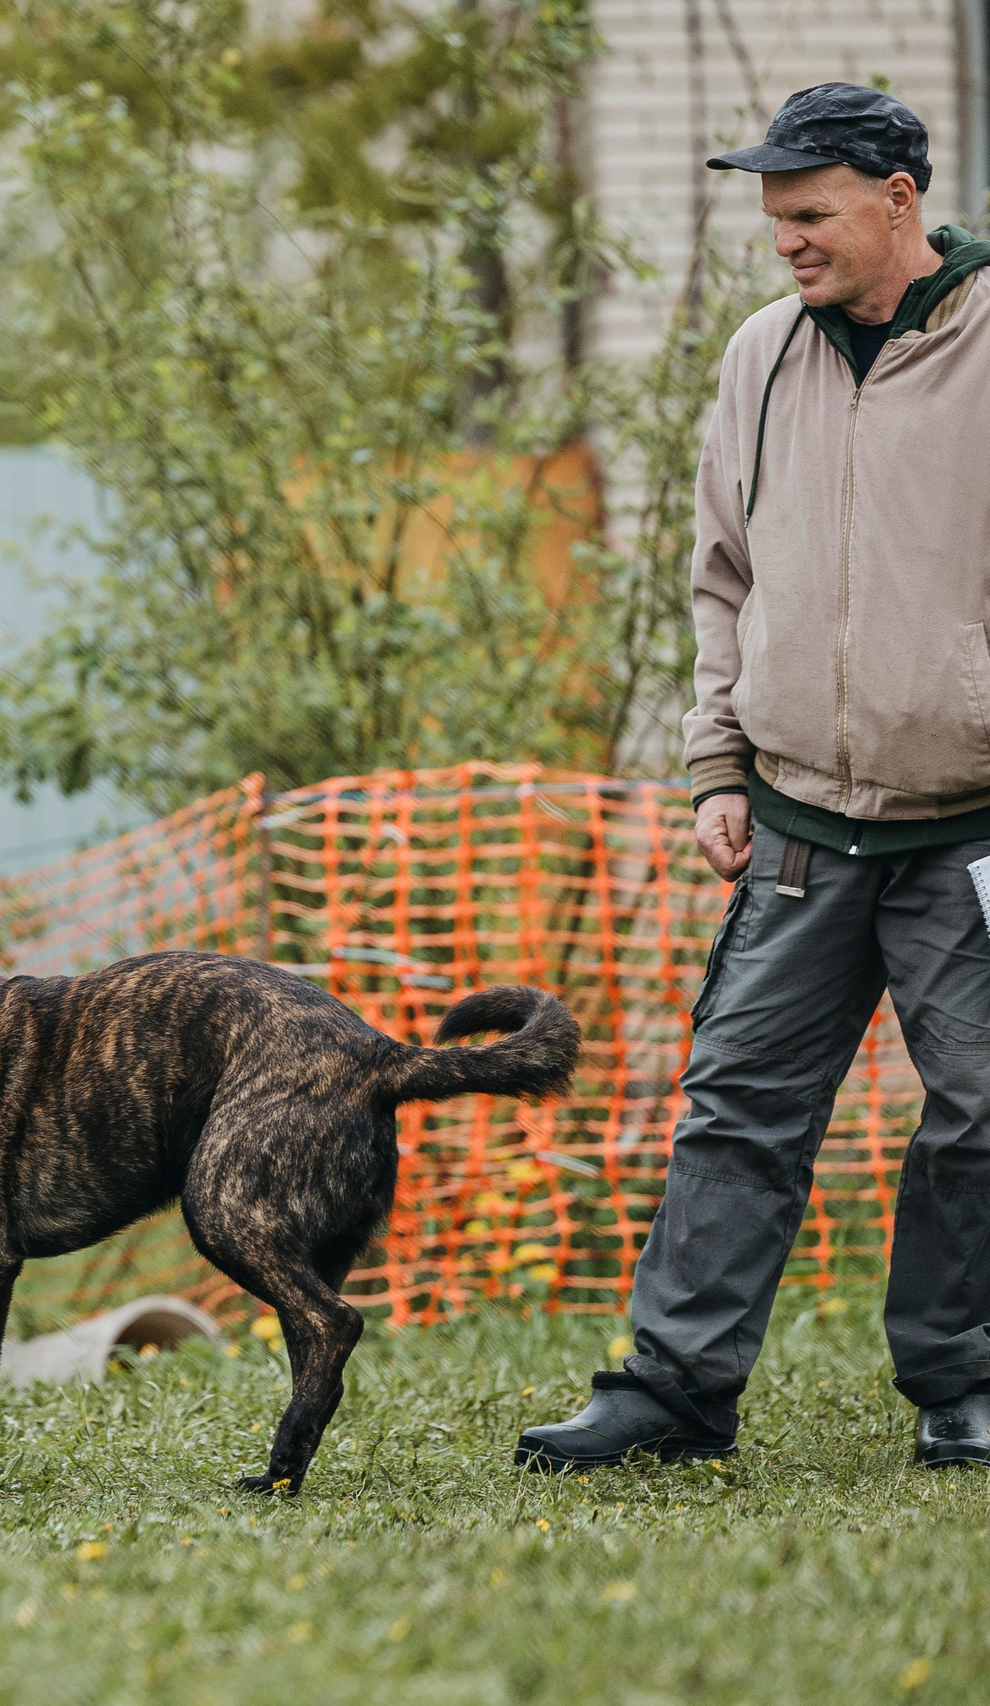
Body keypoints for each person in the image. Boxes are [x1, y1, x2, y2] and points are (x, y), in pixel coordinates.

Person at [520, 85, 990, 1472]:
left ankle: (965, 1384)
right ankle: (673, 1389)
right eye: (774, 216)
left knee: (981, 1108)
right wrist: (719, 757)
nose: (785, 241)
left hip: (969, 821)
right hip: (795, 816)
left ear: (899, 200)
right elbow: (722, 576)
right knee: (736, 1104)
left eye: (810, 214)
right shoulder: (761, 355)